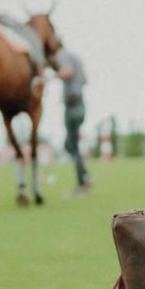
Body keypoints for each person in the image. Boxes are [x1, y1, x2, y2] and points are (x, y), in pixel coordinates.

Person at [56, 47, 91, 193]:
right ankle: (84, 174)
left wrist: (53, 75)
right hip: (81, 105)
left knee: (72, 145)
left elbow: (67, 72)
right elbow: (85, 80)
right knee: (70, 145)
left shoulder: (62, 55)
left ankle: (82, 182)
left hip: (72, 106)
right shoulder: (78, 59)